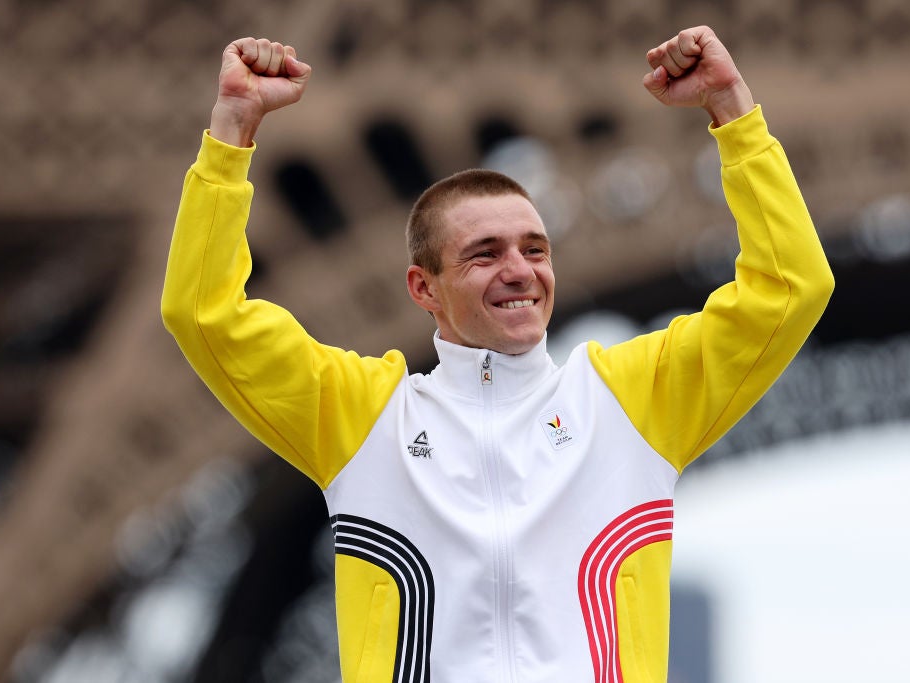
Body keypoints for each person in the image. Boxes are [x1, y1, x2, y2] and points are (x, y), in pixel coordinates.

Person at [162, 26, 833, 683]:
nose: (520, 270)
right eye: (485, 253)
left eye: (535, 249)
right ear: (423, 287)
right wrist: (232, 132)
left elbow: (790, 286)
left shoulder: (634, 401)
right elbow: (202, 312)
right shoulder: (360, 416)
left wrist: (734, 114)